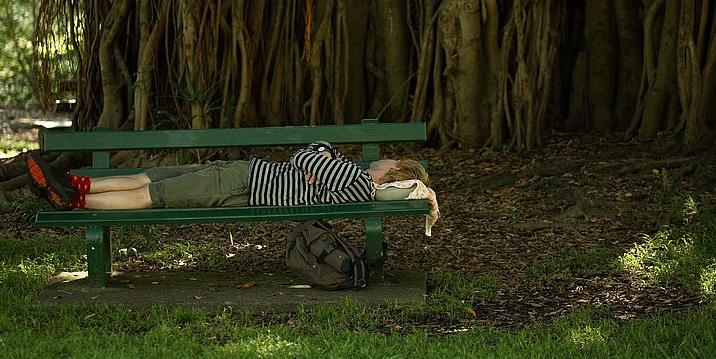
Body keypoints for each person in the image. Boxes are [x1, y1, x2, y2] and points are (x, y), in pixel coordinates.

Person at [26, 141, 430, 212]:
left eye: (383, 163)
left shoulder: (358, 182)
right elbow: (316, 154)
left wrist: (317, 158)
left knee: (155, 195)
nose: (373, 162)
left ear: (391, 172)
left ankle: (73, 200)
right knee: (151, 178)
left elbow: (306, 151)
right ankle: (69, 185)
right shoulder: (349, 178)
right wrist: (319, 160)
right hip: (239, 180)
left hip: (241, 182)